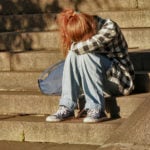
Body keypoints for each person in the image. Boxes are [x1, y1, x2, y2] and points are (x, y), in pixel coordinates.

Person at [46, 9, 135, 123]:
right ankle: (67, 106)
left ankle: (96, 108)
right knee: (75, 54)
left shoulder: (109, 27)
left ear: (91, 26)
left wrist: (72, 43)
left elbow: (83, 47)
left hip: (121, 82)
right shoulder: (87, 28)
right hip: (99, 82)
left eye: (82, 37)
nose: (81, 41)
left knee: (85, 54)